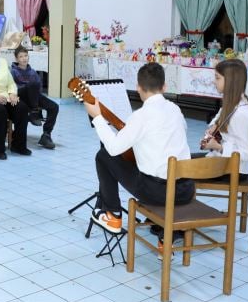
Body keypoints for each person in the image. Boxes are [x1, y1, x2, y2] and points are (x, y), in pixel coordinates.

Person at [83, 62, 194, 237]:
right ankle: (164, 229)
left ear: (138, 87)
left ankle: (112, 214)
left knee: (104, 155)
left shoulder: (141, 116)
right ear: (164, 87)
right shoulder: (175, 109)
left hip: (158, 193)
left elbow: (114, 148)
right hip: (185, 190)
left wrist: (97, 117)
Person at [198, 59, 248, 180]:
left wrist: (219, 147)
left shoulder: (242, 114)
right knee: (181, 162)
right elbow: (219, 119)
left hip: (236, 171)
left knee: (179, 169)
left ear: (230, 82)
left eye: (217, 78)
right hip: (226, 163)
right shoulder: (233, 104)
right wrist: (214, 127)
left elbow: (244, 154)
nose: (214, 81)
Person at [11, 46, 59, 149]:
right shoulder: (13, 71)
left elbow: (39, 87)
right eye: (21, 57)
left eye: (25, 56)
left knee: (54, 107)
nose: (24, 58)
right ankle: (34, 112)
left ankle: (46, 135)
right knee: (31, 85)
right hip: (21, 96)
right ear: (16, 59)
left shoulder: (32, 71)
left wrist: (36, 96)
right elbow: (12, 86)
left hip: (34, 97)